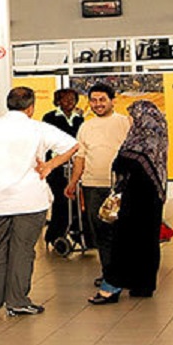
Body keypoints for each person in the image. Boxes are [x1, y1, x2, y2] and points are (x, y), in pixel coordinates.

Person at [0, 87, 78, 317]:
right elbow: (72, 146)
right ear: (31, 107)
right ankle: (17, 301)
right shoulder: (38, 128)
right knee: (22, 250)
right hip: (30, 200)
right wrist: (49, 166)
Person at [89, 100, 168, 304]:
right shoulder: (157, 137)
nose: (129, 119)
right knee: (147, 241)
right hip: (153, 200)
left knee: (123, 241)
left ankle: (110, 288)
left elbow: (123, 163)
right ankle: (143, 285)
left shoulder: (140, 140)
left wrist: (119, 158)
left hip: (134, 200)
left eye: (132, 115)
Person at [65, 82, 131, 287]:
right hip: (92, 186)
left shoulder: (125, 123)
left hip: (120, 187)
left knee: (123, 232)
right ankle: (109, 275)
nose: (98, 104)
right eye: (93, 100)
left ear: (113, 101)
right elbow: (80, 158)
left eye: (102, 100)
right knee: (101, 232)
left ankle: (125, 274)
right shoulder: (85, 126)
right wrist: (73, 182)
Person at [41, 88, 84, 246]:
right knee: (61, 200)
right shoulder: (50, 118)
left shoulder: (79, 119)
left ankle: (77, 232)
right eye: (65, 99)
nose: (69, 103)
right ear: (58, 101)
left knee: (76, 202)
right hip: (57, 166)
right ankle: (55, 234)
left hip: (75, 165)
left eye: (72, 99)